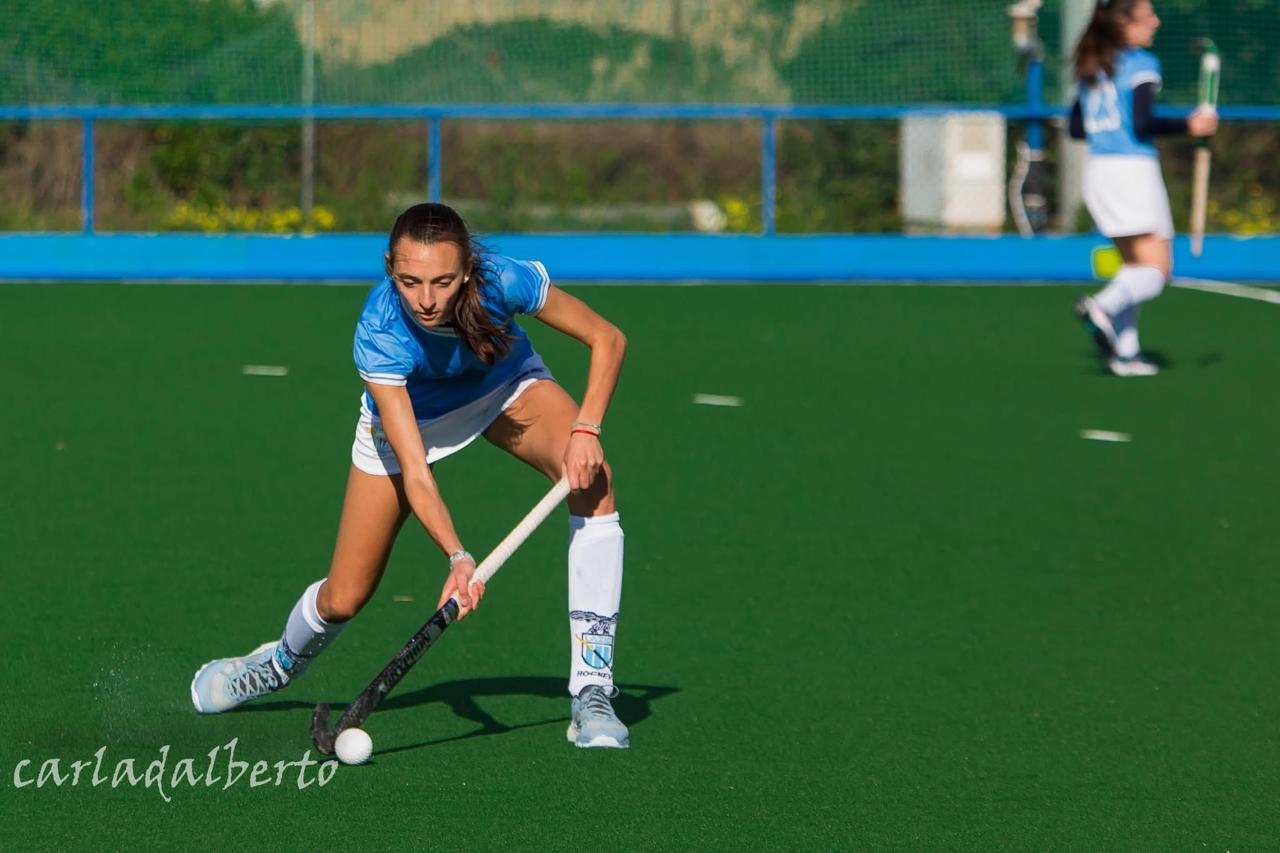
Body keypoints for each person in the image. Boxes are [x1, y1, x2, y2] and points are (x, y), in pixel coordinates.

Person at [191, 202, 631, 749]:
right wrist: (457, 556)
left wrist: (586, 428)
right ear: (389, 268)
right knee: (344, 598)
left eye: (443, 282)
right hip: (411, 422)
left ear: (467, 269)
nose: (426, 299)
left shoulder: (503, 280)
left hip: (505, 389)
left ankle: (593, 690)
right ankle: (277, 664)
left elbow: (608, 338)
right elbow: (417, 474)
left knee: (594, 482)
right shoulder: (379, 331)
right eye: (409, 281)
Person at [1068, 0, 1217, 376]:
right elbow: (1142, 122)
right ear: (1123, 23)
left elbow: (1076, 127)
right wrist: (1191, 126)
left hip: (1099, 172)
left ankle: (1125, 353)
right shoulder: (1140, 63)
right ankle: (1102, 307)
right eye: (1147, 15)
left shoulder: (1092, 63)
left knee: (1134, 266)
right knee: (1157, 271)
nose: (1156, 21)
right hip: (1132, 172)